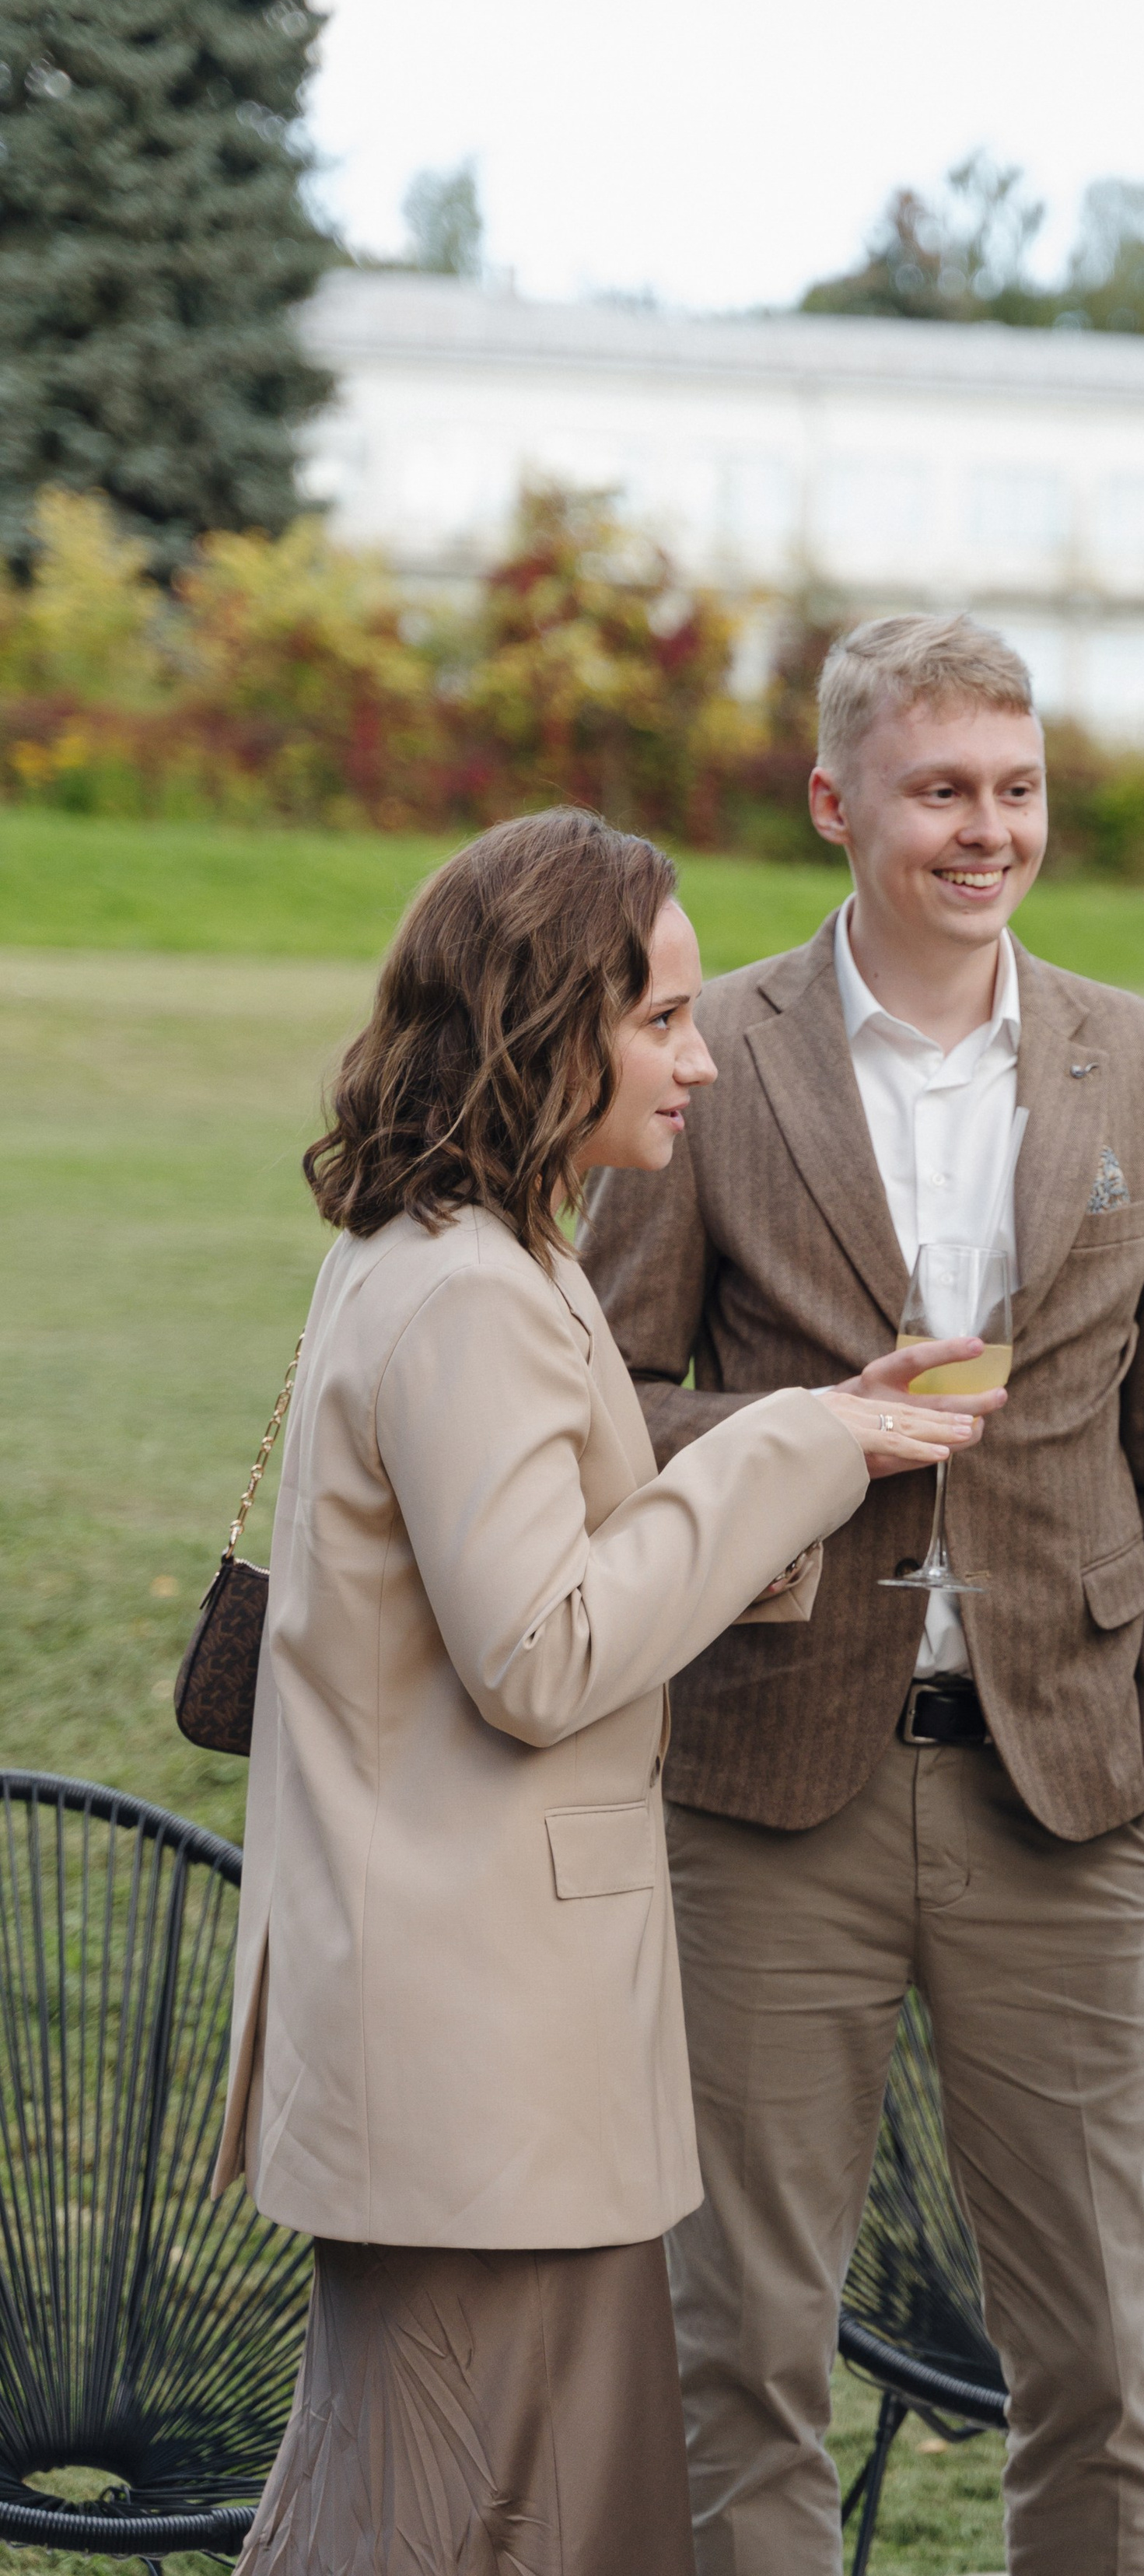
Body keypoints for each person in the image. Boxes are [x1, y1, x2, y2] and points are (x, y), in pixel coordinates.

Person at [215, 807, 1002, 2576]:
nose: (703, 1057)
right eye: (660, 1017)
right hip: (475, 2055)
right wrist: (796, 1443)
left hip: (476, 2045)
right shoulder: (472, 1290)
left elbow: (548, 1537)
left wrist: (815, 1440)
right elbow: (543, 1650)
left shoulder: (471, 1254)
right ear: (541, 1022)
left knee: (461, 2508)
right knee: (456, 2519)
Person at [580, 614, 1144, 2576]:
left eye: (1014, 789)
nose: (984, 831)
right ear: (835, 799)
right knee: (744, 2344)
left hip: (1068, 1793)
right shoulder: (715, 1055)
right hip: (769, 1786)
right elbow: (603, 1397)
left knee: (1101, 2358)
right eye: (940, 789)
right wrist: (812, 1424)